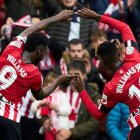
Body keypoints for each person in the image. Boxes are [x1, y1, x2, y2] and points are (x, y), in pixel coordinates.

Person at [0, 9, 75, 140]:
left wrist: (56, 17)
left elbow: (33, 28)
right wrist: (58, 80)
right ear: (39, 51)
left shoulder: (13, 47)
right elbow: (39, 95)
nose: (46, 54)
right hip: (8, 119)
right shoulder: (34, 74)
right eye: (45, 51)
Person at [72, 8, 140, 140]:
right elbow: (124, 27)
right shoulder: (133, 55)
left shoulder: (112, 88)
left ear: (102, 62)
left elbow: (98, 115)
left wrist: (82, 91)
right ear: (118, 52)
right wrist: (98, 16)